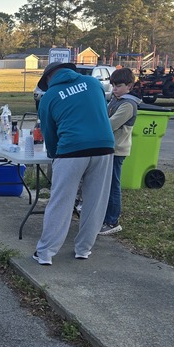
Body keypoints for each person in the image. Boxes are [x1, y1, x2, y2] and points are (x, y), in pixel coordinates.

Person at [33, 61, 115, 264]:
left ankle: (45, 253)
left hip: (71, 150)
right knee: (95, 201)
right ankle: (84, 249)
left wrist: (54, 154)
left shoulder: (49, 96)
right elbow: (102, 113)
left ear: (48, 79)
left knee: (61, 201)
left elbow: (49, 132)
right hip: (104, 146)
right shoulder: (93, 83)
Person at [98, 67, 140, 236]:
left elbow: (110, 124)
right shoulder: (115, 100)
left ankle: (112, 221)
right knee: (105, 185)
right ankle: (104, 216)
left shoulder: (128, 104)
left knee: (113, 186)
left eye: (119, 85)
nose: (115, 89)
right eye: (113, 85)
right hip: (108, 149)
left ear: (130, 86)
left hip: (117, 150)